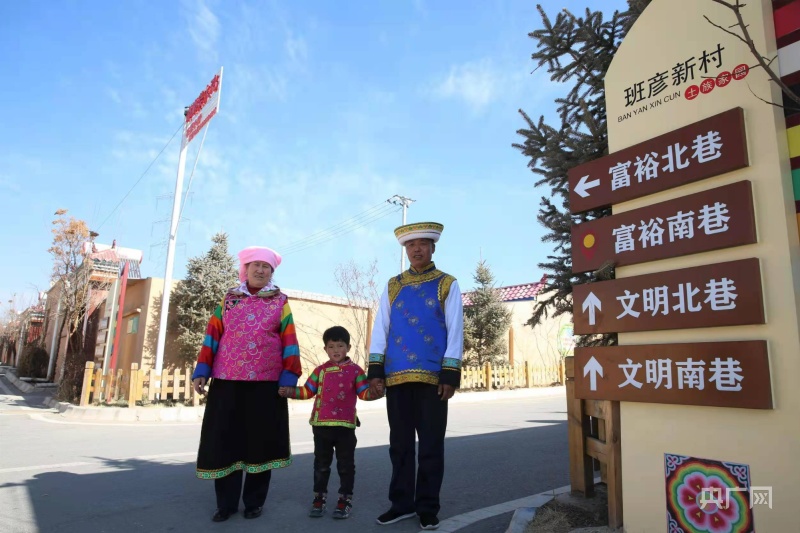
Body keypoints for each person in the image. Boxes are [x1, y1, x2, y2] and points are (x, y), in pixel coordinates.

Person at [191, 245, 302, 523]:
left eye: (266, 267)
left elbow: (289, 340)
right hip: (227, 381)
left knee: (260, 443)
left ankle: (254, 502)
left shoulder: (280, 302)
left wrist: (289, 377)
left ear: (271, 273)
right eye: (256, 266)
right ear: (246, 269)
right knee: (225, 442)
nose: (261, 271)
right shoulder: (229, 300)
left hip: (265, 384)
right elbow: (212, 334)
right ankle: (226, 504)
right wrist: (203, 369)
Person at [367, 222, 464, 531]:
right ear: (405, 250)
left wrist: (450, 372)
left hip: (433, 378)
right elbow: (381, 327)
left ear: (433, 247)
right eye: (411, 245)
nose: (417, 249)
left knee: (431, 445)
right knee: (400, 445)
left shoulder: (447, 283)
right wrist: (376, 370)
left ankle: (427, 507)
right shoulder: (393, 285)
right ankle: (401, 504)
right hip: (396, 376)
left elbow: (455, 329)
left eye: (422, 244)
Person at [279, 325, 382, 520]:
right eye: (331, 346)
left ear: (348, 348)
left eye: (340, 346)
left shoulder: (356, 371)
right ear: (325, 349)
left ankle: (345, 499)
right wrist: (291, 392)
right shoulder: (320, 371)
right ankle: (319, 498)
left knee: (346, 466)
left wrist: (376, 392)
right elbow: (307, 391)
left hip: (345, 428)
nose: (336, 350)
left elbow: (364, 393)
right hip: (321, 427)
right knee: (321, 465)